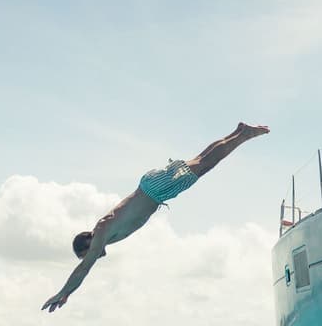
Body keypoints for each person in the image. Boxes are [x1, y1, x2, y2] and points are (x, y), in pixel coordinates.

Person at [41, 122, 270, 312]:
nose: (93, 257)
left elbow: (84, 269)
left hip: (155, 191)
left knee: (205, 164)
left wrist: (64, 293)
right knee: (202, 161)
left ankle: (244, 135)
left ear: (87, 242)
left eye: (87, 254)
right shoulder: (105, 233)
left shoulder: (101, 232)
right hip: (153, 187)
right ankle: (238, 132)